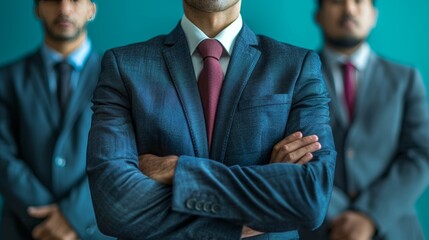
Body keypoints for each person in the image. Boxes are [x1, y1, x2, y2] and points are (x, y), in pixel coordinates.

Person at [86, 0, 337, 239]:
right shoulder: (123, 67)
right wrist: (256, 206)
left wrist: (178, 169)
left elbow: (309, 198)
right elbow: (114, 204)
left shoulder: (298, 66)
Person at [299, 0, 429, 239]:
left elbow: (421, 155)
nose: (349, 9)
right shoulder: (295, 76)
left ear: (374, 15)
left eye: (359, 1)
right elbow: (295, 155)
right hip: (320, 228)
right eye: (337, 1)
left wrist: (369, 216)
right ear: (318, 15)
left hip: (393, 228)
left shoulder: (405, 79)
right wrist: (338, 216)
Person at [0, 0, 112, 239]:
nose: (64, 9)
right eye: (52, 0)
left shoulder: (118, 78)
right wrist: (48, 221)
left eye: (74, 0)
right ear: (37, 8)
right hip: (27, 230)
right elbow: (2, 156)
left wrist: (75, 215)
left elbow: (128, 156)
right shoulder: (6, 79)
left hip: (97, 229)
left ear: (91, 9)